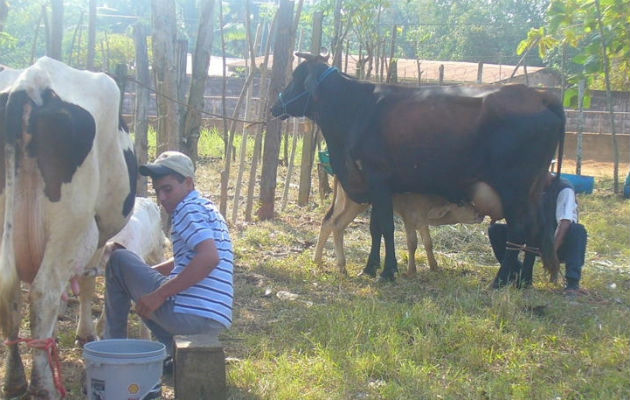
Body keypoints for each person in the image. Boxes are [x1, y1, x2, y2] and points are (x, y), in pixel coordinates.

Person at [104, 150, 234, 368]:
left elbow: (209, 258)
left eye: (168, 189)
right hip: (213, 319)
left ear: (189, 183)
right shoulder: (207, 208)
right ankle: (172, 355)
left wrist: (159, 294)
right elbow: (190, 259)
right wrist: (143, 276)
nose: (162, 198)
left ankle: (112, 352)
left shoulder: (186, 209)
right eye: (157, 192)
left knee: (117, 259)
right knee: (142, 284)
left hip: (189, 315)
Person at [488, 171, 587, 294]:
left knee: (577, 231)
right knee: (496, 231)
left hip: (559, 242)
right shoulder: (529, 187)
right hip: (533, 238)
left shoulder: (563, 188)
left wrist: (551, 252)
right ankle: (515, 272)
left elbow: (565, 223)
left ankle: (572, 284)